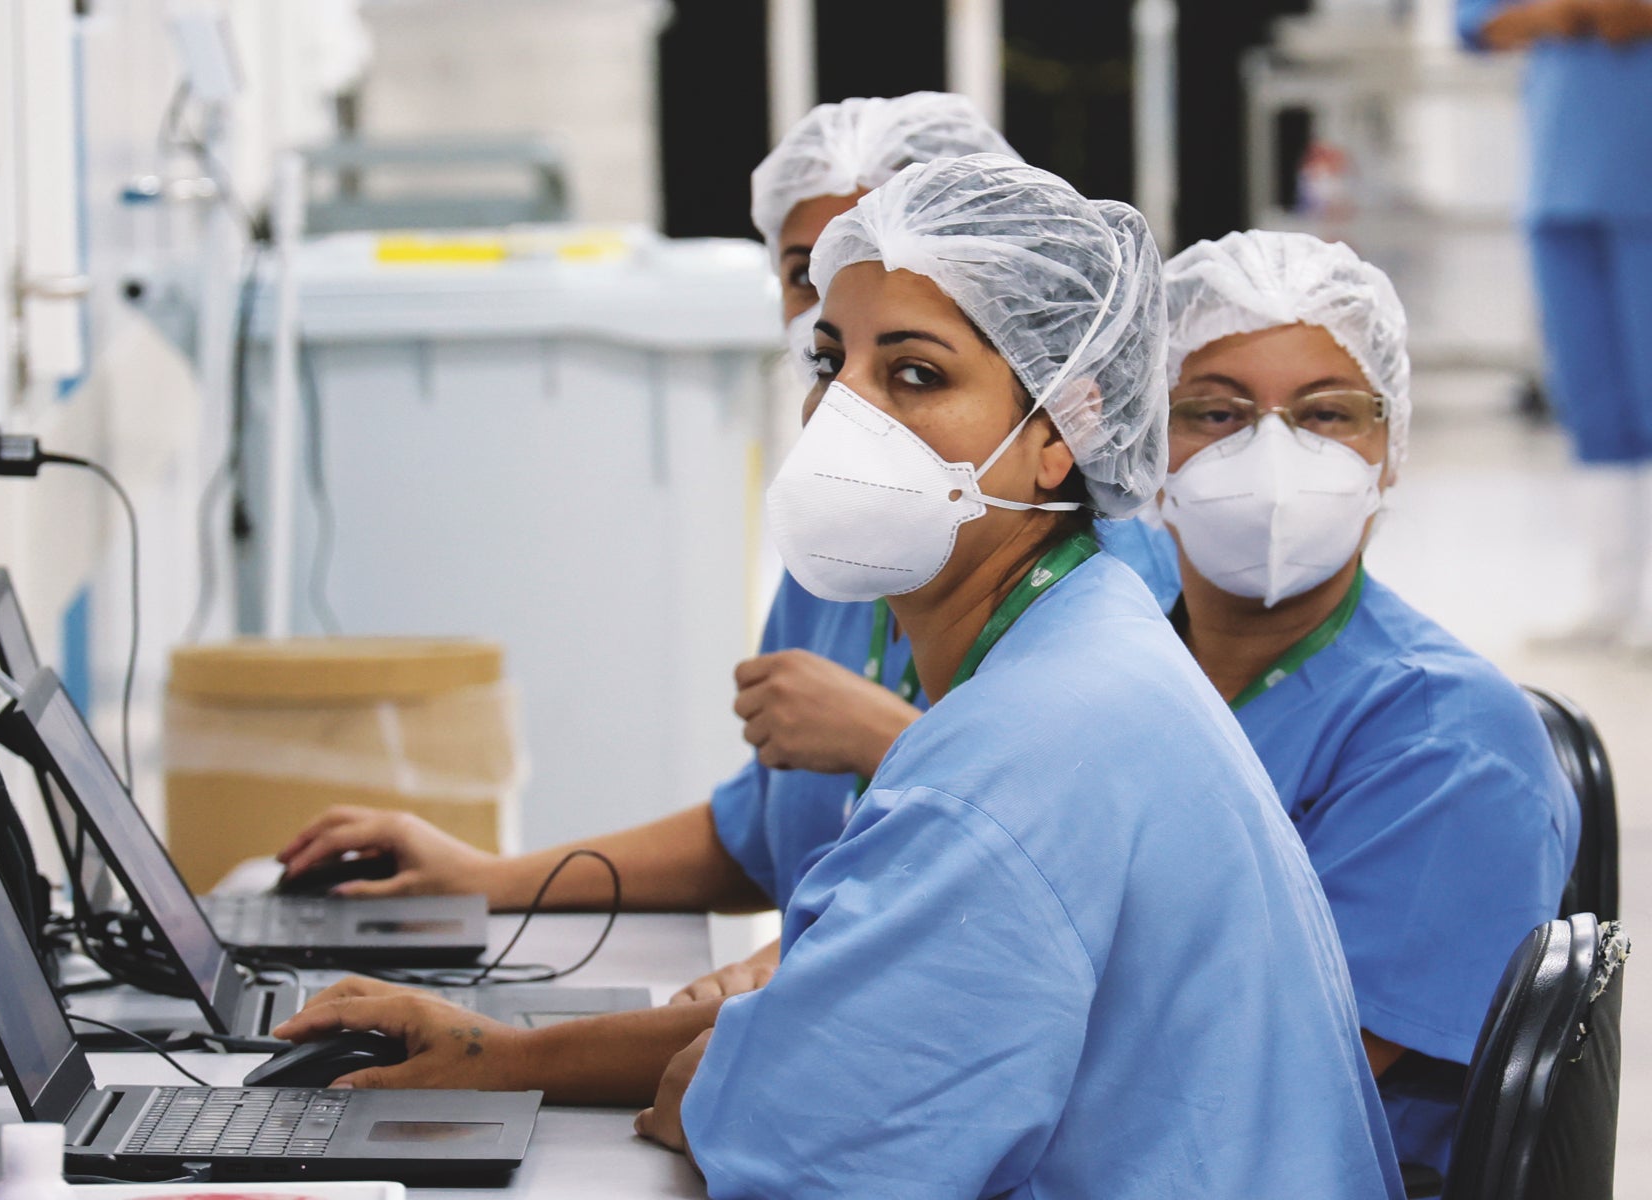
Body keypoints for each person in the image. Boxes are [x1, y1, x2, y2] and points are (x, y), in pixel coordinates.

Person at [279, 155, 1405, 1198]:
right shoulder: (1077, 635)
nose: (842, 413)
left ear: (1060, 432)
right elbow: (810, 1029)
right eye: (829, 362)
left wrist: (722, 1082)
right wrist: (498, 1055)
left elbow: (804, 1140)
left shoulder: (1026, 748)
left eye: (913, 373)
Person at [275, 93, 1016, 1001]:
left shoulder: (1081, 591)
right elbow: (758, 835)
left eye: (882, 277)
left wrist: (876, 741)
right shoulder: (836, 552)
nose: (836, 324)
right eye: (806, 278)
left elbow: (1055, 858)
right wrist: (492, 881)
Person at [1113, 229, 1579, 1173]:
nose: (1272, 458)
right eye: (1215, 412)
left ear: (1390, 448)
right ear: (1146, 450)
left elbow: (1265, 1077)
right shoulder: (1114, 675)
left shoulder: (1452, 745)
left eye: (1326, 415)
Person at [1461, 0, 1652, 646]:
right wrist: (1566, 11)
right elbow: (1479, 22)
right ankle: (1612, 596)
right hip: (1561, 178)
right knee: (1591, 395)